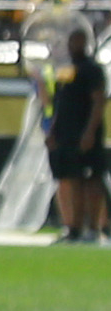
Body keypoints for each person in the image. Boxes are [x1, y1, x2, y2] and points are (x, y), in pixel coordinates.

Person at [48, 28, 106, 245]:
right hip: (65, 135)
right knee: (69, 180)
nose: (73, 45)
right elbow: (59, 103)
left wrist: (90, 131)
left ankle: (94, 228)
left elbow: (98, 101)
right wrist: (52, 131)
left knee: (90, 181)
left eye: (77, 41)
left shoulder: (92, 70)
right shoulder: (65, 70)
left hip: (84, 134)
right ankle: (73, 227)